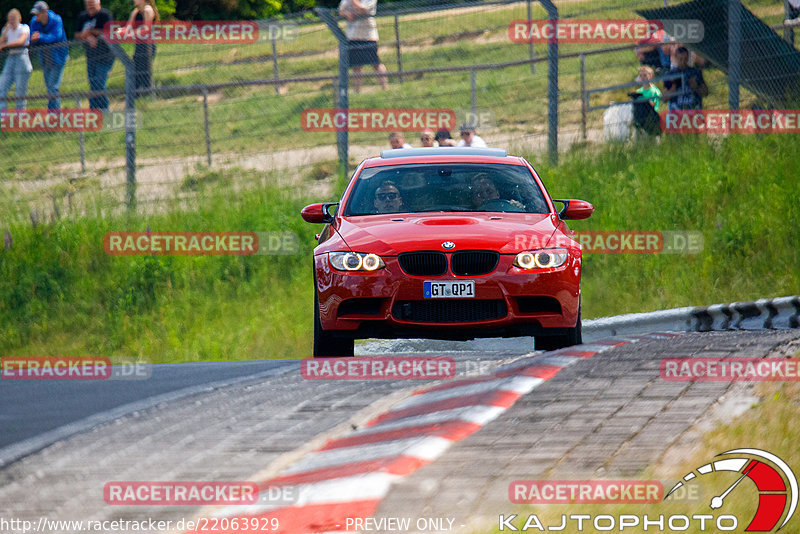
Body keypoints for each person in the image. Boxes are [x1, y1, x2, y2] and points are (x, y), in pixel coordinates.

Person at [338, 0, 387, 93]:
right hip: (353, 37)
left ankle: (384, 88)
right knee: (356, 66)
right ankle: (357, 91)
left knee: (375, 63)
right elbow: (340, 11)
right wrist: (346, 13)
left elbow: (363, 10)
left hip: (368, 36)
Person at [75, 0, 114, 110]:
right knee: (93, 85)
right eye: (88, 4)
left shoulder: (104, 15)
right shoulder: (82, 17)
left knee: (100, 84)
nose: (90, 6)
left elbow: (108, 32)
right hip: (91, 57)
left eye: (93, 4)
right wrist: (86, 36)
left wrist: (91, 32)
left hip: (105, 56)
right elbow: (77, 34)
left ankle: (104, 110)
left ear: (99, 4)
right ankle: (94, 111)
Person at [29, 1, 67, 110]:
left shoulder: (56, 19)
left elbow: (56, 36)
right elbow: (32, 38)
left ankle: (55, 115)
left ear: (45, 12)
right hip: (45, 57)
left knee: (53, 87)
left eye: (38, 13)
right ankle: (53, 114)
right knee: (49, 87)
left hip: (58, 57)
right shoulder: (34, 22)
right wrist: (35, 38)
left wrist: (40, 37)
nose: (36, 16)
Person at [115, 0, 157, 90]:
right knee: (135, 71)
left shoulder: (147, 10)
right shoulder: (135, 11)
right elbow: (128, 27)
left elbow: (146, 29)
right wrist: (119, 31)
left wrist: (131, 34)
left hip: (148, 46)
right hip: (139, 46)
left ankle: (147, 93)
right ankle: (136, 95)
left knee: (145, 71)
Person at [0, 9, 32, 112]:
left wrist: (5, 45)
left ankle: (20, 116)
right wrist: (5, 31)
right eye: (9, 19)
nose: (12, 21)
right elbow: (1, 42)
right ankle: (3, 115)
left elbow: (21, 41)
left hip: (21, 57)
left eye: (13, 18)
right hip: (10, 58)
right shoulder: (7, 30)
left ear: (19, 18)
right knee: (2, 86)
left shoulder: (24, 28)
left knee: (20, 89)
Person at [663, 46, 708, 111]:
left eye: (685, 59)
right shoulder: (670, 75)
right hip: (676, 112)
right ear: (676, 58)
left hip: (693, 109)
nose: (683, 62)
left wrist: (696, 87)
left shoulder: (695, 72)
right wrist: (674, 87)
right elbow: (664, 99)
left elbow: (705, 93)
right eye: (680, 59)